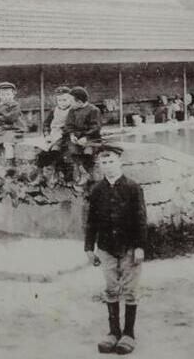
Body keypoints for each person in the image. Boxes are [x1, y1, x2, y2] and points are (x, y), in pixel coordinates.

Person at [84, 144, 147, 355]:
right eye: (104, 162)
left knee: (130, 289)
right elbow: (91, 221)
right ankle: (113, 332)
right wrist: (89, 248)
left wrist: (139, 247)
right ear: (99, 165)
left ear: (120, 162)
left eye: (111, 161)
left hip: (129, 247)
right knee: (111, 288)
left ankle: (128, 333)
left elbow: (140, 220)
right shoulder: (97, 190)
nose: (108, 166)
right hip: (106, 248)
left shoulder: (133, 187)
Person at [61, 86, 103, 181]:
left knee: (88, 152)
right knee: (72, 150)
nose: (70, 104)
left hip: (91, 138)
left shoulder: (94, 110)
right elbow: (68, 125)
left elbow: (95, 127)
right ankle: (80, 171)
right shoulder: (72, 110)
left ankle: (90, 174)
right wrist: (71, 135)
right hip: (76, 138)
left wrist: (86, 137)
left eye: (71, 101)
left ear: (79, 102)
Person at [0, 81, 27, 162]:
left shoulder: (15, 105)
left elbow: (11, 118)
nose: (6, 97)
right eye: (3, 95)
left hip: (14, 129)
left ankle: (9, 160)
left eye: (8, 94)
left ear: (13, 94)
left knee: (8, 142)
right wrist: (1, 119)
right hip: (2, 129)